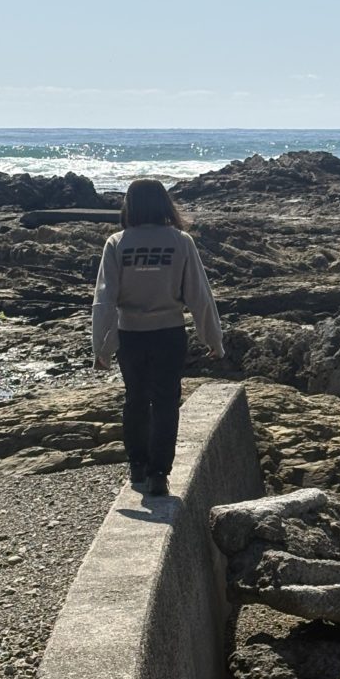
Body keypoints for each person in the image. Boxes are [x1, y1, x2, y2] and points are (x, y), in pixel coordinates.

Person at [92, 178, 224, 496]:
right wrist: (213, 339)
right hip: (169, 334)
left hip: (130, 335)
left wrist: (101, 348)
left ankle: (137, 465)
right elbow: (199, 296)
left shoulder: (117, 243)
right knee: (165, 403)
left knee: (135, 400)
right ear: (165, 204)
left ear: (130, 205)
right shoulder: (180, 242)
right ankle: (158, 474)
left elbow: (104, 300)